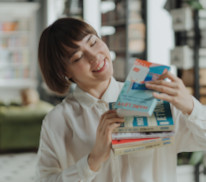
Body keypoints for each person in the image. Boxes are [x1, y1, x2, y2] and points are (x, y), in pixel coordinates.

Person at [36, 17, 206, 182]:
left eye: (93, 42)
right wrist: (92, 161)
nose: (94, 56)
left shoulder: (154, 96)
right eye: (78, 57)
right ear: (64, 72)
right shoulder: (58, 120)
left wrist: (191, 107)